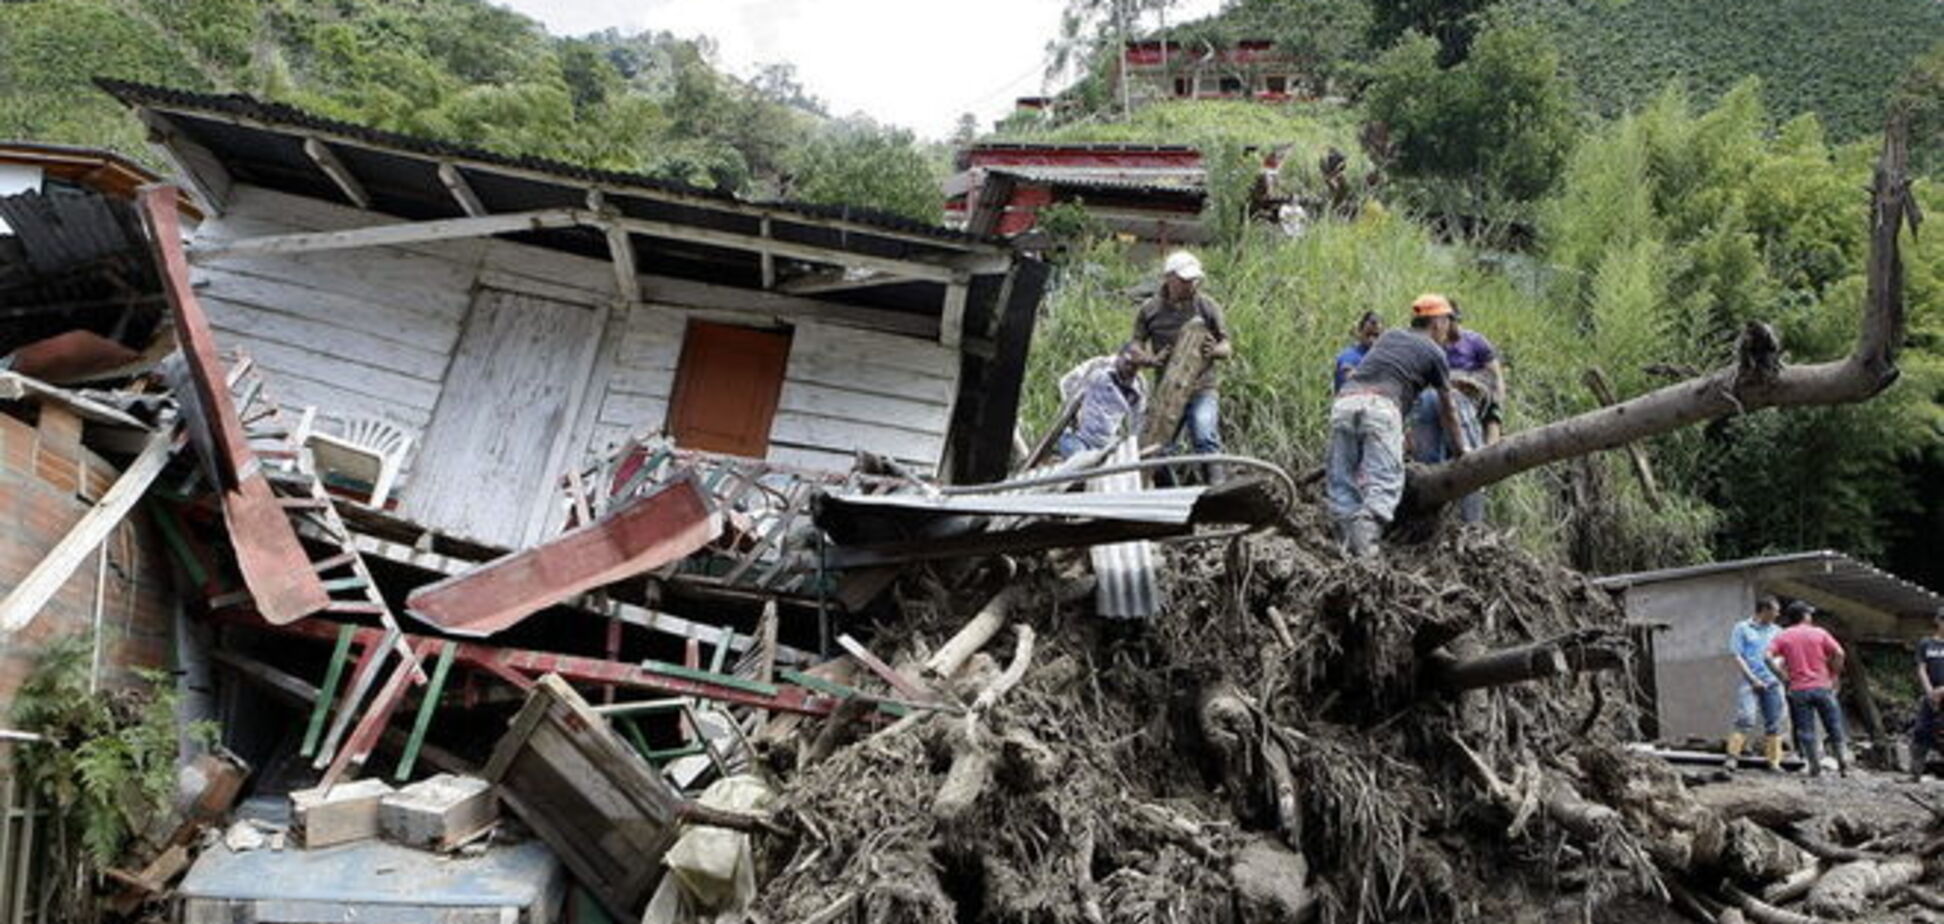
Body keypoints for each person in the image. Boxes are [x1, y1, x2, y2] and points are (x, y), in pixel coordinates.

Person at [1326, 294, 1466, 557]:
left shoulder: (1390, 337)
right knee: (1384, 484)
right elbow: (1449, 410)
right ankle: (1365, 555)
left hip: (1345, 403)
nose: (1449, 329)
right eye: (1448, 322)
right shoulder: (1435, 353)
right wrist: (1461, 450)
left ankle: (1345, 555)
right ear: (1437, 322)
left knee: (1344, 483)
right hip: (1381, 407)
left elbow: (1386, 373)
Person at [1132, 250, 1233, 475]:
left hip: (1202, 386)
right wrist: (1149, 359)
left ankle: (1217, 488)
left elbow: (1227, 346)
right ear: (1169, 278)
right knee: (1158, 447)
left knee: (1204, 432)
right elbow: (1135, 346)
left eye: (1194, 281)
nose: (1191, 286)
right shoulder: (1149, 310)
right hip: (1168, 389)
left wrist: (1214, 350)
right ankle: (1165, 493)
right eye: (1185, 281)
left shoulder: (1207, 306)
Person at [1768, 601, 1849, 778]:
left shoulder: (1784, 636)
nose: (1811, 617)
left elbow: (1767, 657)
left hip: (1798, 690)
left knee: (1806, 729)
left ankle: (1814, 766)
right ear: (1805, 616)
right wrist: (1834, 674)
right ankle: (1843, 762)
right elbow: (1840, 653)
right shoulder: (1819, 633)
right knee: (1834, 725)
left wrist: (1783, 677)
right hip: (1823, 686)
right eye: (1809, 614)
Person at [1054, 342, 1150, 460]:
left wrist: (1130, 445)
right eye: (1127, 363)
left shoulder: (1138, 387)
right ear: (1119, 355)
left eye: (1135, 366)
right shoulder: (1100, 366)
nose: (1129, 369)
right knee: (1082, 466)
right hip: (1077, 437)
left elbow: (1137, 421)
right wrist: (1072, 412)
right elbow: (1067, 382)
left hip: (1104, 445)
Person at [1726, 597, 1786, 772]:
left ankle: (1774, 762)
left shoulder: (1778, 631)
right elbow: (1738, 656)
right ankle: (1732, 757)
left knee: (1774, 722)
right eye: (1775, 610)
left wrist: (1777, 674)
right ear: (1764, 610)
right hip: (1749, 681)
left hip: (1773, 682)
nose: (1778, 614)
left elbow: (1782, 656)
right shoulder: (1742, 628)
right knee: (1745, 718)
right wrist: (1753, 679)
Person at [1445, 305, 1508, 444]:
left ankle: (1491, 447)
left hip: (1476, 387)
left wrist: (1499, 398)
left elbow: (1495, 374)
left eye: (1453, 321)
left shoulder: (1475, 341)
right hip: (1448, 388)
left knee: (1492, 409)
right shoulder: (1436, 345)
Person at [1910, 608, 1944, 781]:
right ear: (1937, 621)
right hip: (1931, 697)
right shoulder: (1926, 643)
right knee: (1921, 732)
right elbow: (1921, 668)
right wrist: (1930, 691)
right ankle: (1915, 774)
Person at [1332, 312, 1383, 393]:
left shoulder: (1381, 359)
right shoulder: (1349, 356)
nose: (1372, 340)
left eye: (1376, 335)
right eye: (1369, 334)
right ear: (1360, 331)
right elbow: (1350, 377)